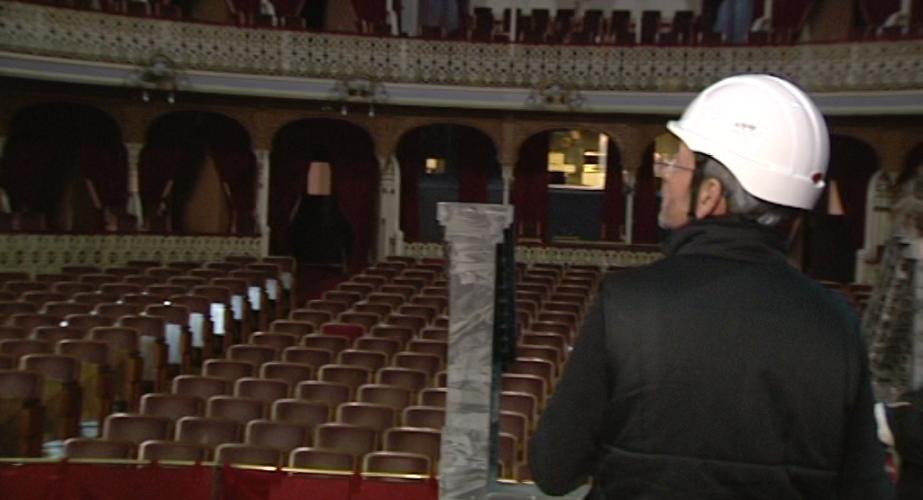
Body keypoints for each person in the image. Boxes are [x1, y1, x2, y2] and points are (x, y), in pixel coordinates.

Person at [529, 74, 892, 499]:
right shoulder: (838, 323)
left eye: (676, 164)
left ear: (711, 195)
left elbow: (554, 470)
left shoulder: (627, 302)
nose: (664, 175)